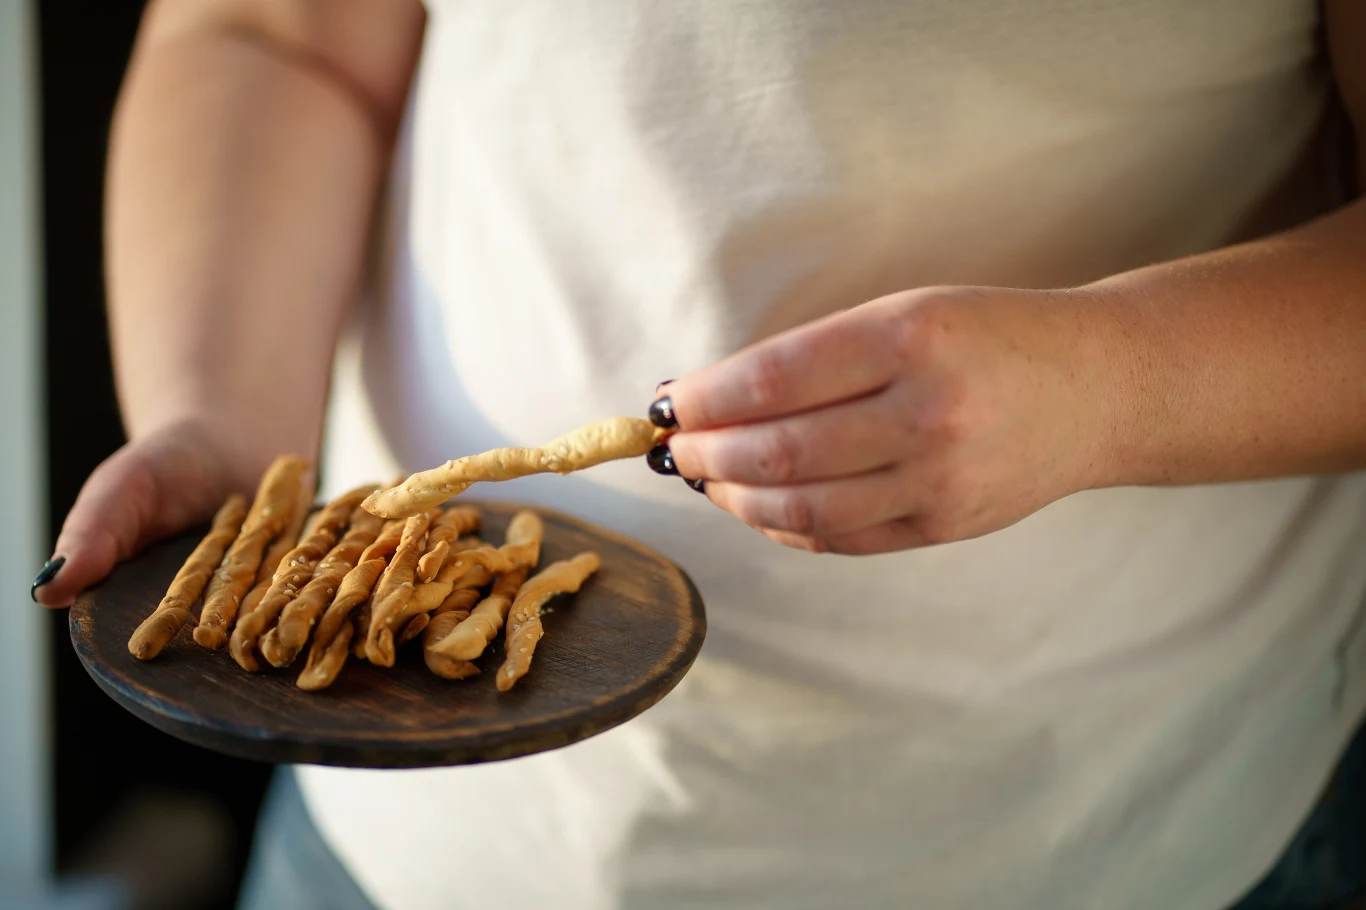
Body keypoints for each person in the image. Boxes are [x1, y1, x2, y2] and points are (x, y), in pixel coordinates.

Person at [31, 0, 1366, 907]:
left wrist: (1107, 383)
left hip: (1095, 832)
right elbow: (275, 34)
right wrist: (216, 411)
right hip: (405, 823)